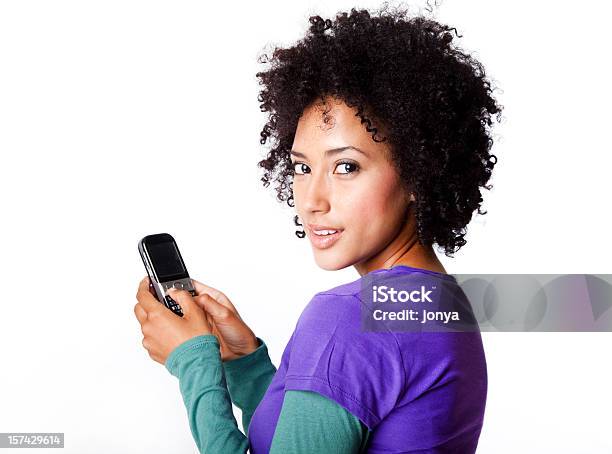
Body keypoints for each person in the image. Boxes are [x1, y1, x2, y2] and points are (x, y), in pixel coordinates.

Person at [134, 5, 502, 453]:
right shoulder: (438, 303)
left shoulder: (350, 316)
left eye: (346, 166)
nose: (312, 200)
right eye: (303, 167)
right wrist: (247, 364)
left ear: (418, 175)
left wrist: (193, 361)